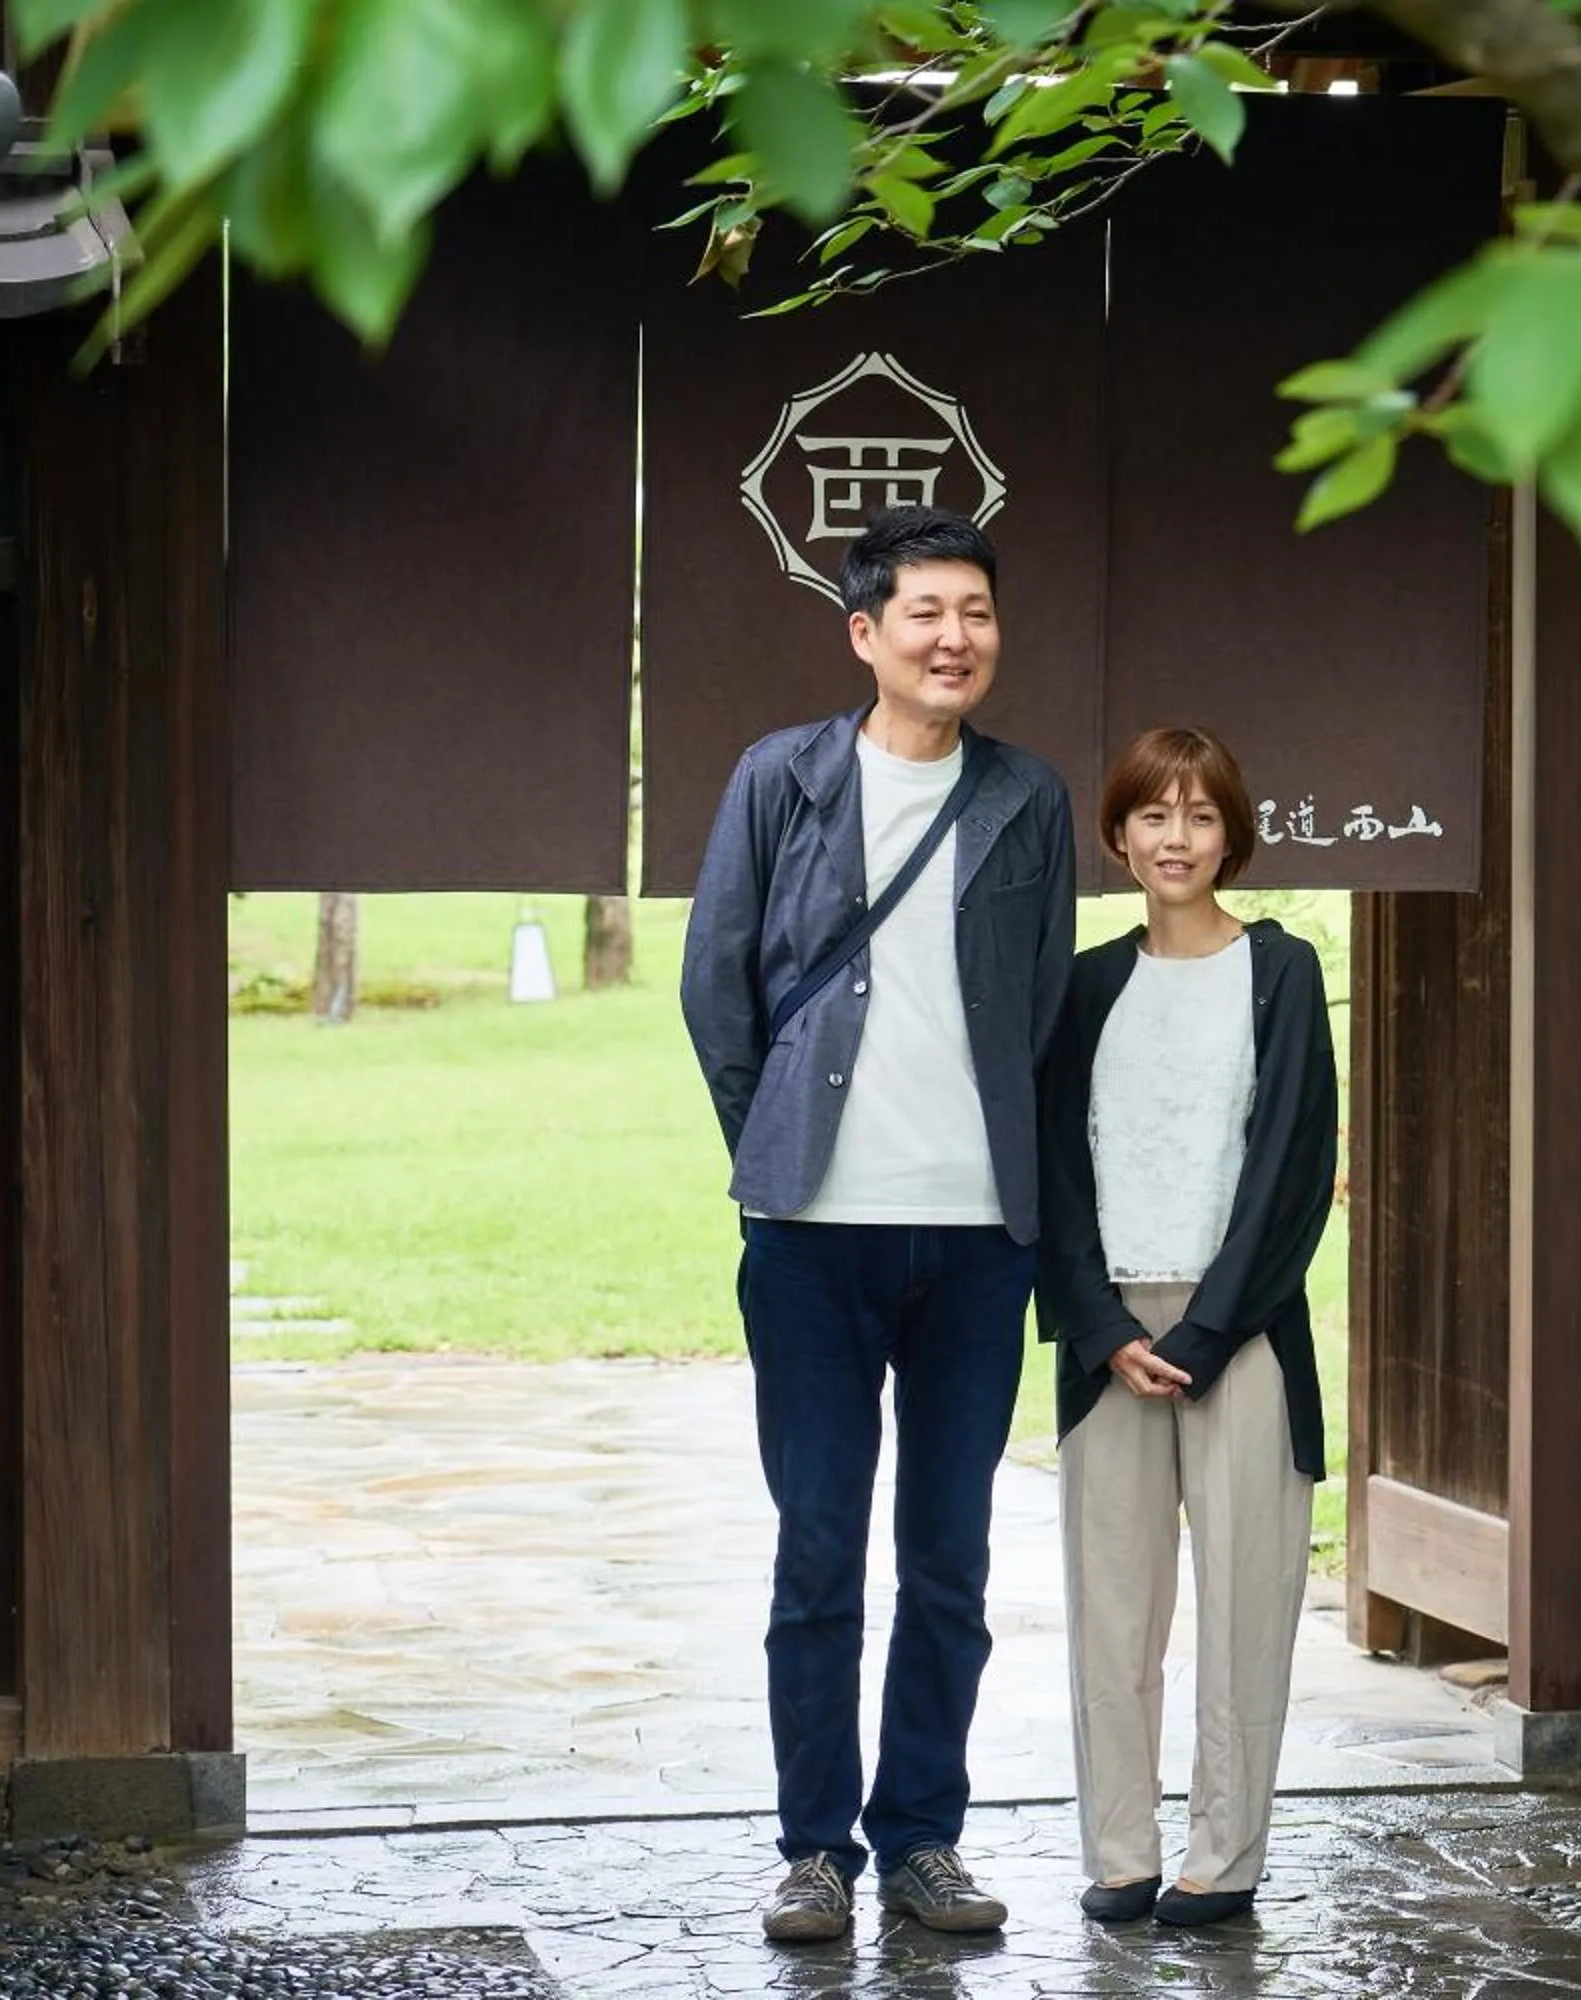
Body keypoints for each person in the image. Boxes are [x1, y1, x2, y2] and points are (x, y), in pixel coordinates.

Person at [681, 505, 1076, 1946]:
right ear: (866, 631)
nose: (954, 636)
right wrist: (779, 1142)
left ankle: (922, 1840)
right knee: (817, 1553)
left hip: (979, 1241)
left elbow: (1039, 1017)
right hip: (811, 1240)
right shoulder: (780, 778)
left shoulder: (1026, 797)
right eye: (924, 612)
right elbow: (718, 989)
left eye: (975, 610)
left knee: (952, 1559)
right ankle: (812, 1851)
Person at [1033, 725, 1337, 1930]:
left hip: (1242, 1328)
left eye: (1201, 815)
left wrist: (1208, 1329)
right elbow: (1056, 1163)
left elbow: (1293, 1164)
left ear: (1232, 835)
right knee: (1113, 1603)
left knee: (1245, 1595)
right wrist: (1103, 1324)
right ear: (1118, 834)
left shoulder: (1283, 969)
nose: (1176, 837)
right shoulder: (1089, 980)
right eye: (1153, 815)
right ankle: (1119, 1849)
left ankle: (1225, 1853)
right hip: (1107, 1332)